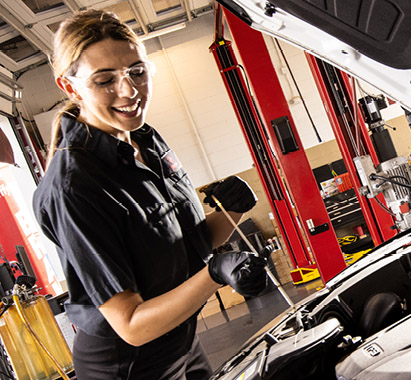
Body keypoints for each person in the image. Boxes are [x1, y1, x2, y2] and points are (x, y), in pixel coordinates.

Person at [32, 9, 268, 379]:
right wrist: (215, 274)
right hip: (128, 364)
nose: (129, 91)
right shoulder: (74, 187)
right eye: (105, 80)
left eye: (137, 72)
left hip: (181, 339)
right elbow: (131, 324)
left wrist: (233, 209)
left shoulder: (147, 139)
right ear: (70, 87)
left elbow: (185, 244)